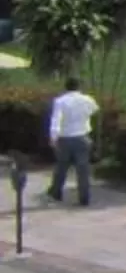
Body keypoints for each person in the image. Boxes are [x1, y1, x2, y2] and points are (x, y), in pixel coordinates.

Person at [45, 77, 94, 207]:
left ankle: (56, 192)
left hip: (65, 138)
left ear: (66, 87)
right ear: (79, 87)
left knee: (61, 167)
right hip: (82, 136)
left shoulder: (60, 101)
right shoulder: (87, 100)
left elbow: (56, 120)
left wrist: (53, 137)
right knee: (83, 169)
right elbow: (94, 109)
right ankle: (84, 197)